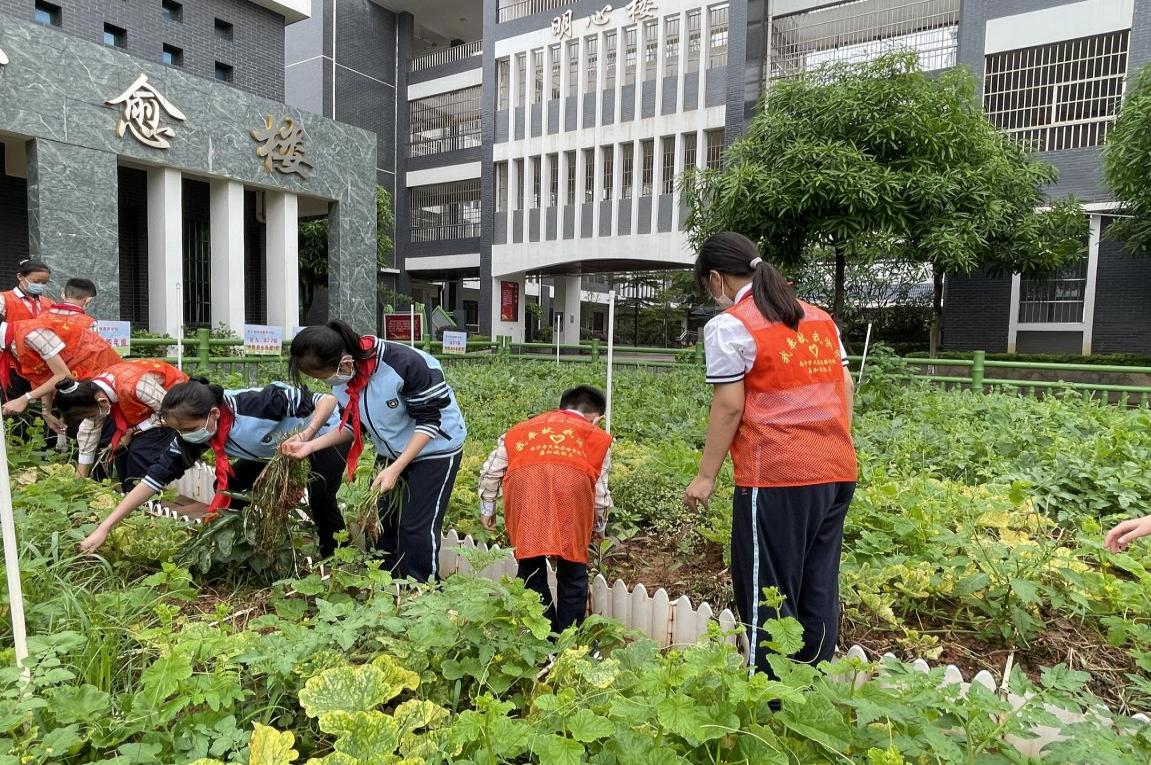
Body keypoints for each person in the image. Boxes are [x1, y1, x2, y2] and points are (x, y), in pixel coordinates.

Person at [682, 232, 857, 674]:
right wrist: (829, 445)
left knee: (767, 589)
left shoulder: (731, 325)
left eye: (709, 286)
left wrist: (705, 477)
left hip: (776, 476)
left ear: (717, 278)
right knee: (817, 584)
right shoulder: (819, 319)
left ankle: (771, 699)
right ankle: (811, 687)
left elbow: (729, 404)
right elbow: (846, 387)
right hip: (836, 471)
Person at [283, 320, 467, 582]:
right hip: (392, 451)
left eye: (322, 376)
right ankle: (388, 588)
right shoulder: (344, 376)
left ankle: (421, 595)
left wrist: (396, 468)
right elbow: (353, 424)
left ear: (345, 364)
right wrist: (309, 444)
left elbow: (429, 422)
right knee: (385, 524)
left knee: (416, 527)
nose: (325, 383)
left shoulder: (404, 364)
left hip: (435, 448)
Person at [80, 379, 349, 557]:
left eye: (187, 429)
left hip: (324, 434)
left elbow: (326, 400)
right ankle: (240, 544)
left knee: (321, 497)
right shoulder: (195, 434)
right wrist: (106, 526)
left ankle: (335, 554)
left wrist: (306, 436)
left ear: (214, 414)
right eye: (177, 430)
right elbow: (153, 480)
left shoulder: (257, 403)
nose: (184, 435)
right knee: (231, 487)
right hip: (273, 449)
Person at [477, 385, 614, 633]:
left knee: (531, 568)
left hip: (527, 500)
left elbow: (490, 472)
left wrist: (488, 508)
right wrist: (599, 527)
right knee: (573, 571)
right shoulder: (596, 438)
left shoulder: (520, 431)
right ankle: (567, 640)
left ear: (562, 407)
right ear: (598, 418)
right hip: (573, 503)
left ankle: (542, 636)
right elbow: (601, 495)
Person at [0, 278, 118, 433]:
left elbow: (56, 374)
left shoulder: (38, 323)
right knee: (85, 431)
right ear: (88, 300)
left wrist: (31, 402)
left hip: (76, 387)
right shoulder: (88, 323)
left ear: (63, 293)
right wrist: (44, 410)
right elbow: (52, 373)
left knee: (81, 432)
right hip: (85, 386)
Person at [53, 359, 188, 491]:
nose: (89, 419)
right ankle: (128, 497)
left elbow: (169, 413)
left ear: (103, 402)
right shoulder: (92, 394)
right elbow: (89, 435)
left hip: (174, 404)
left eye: (88, 416)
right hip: (145, 410)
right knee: (122, 455)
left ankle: (145, 504)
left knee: (140, 453)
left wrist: (136, 429)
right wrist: (79, 480)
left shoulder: (134, 384)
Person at [0, 260, 51, 410]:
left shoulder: (49, 303)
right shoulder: (4, 299)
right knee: (13, 410)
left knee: (43, 411)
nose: (40, 285)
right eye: (37, 281)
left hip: (44, 365)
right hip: (14, 365)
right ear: (20, 277)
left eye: (44, 282)